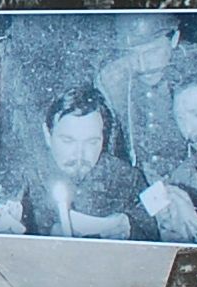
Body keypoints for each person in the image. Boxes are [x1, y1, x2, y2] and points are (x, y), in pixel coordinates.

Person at [20, 85, 143, 238]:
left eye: (92, 142)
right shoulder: (27, 178)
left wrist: (130, 226)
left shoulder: (126, 177)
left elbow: (155, 226)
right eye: (68, 141)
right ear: (47, 135)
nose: (80, 154)